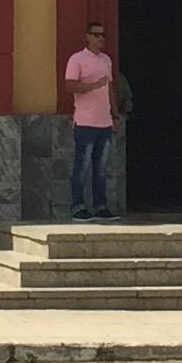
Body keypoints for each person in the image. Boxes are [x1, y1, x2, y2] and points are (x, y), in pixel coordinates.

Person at [62, 21, 118, 219]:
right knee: (82, 166)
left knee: (100, 168)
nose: (100, 38)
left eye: (103, 35)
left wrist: (115, 114)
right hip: (85, 122)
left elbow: (110, 88)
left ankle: (100, 206)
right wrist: (93, 85)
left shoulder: (106, 60)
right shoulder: (77, 59)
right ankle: (78, 206)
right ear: (87, 36)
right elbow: (70, 86)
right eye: (96, 35)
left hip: (105, 123)